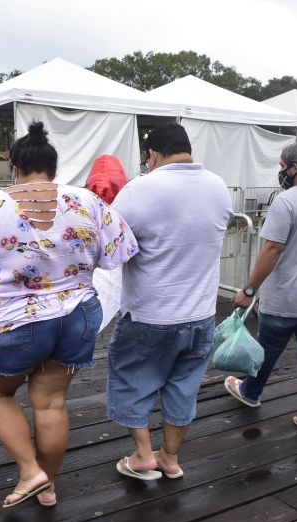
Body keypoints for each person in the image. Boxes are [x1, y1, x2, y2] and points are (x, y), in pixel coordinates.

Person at [0, 122, 138, 508]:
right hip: (78, 317)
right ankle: (48, 487)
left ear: (14, 168)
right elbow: (121, 252)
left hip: (11, 322)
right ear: (53, 168)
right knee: (50, 402)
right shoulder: (87, 201)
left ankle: (31, 471)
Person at [107, 122, 233, 480]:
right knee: (183, 388)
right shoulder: (219, 187)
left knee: (132, 380)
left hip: (150, 315)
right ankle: (170, 457)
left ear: (152, 154)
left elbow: (111, 247)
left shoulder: (140, 189)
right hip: (201, 315)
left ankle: (144, 455)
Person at [226, 141, 297, 438]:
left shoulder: (286, 201)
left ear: (295, 167)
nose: (280, 171)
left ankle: (250, 392)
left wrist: (249, 291)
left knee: (266, 349)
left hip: (286, 297)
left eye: (282, 166)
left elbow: (273, 249)